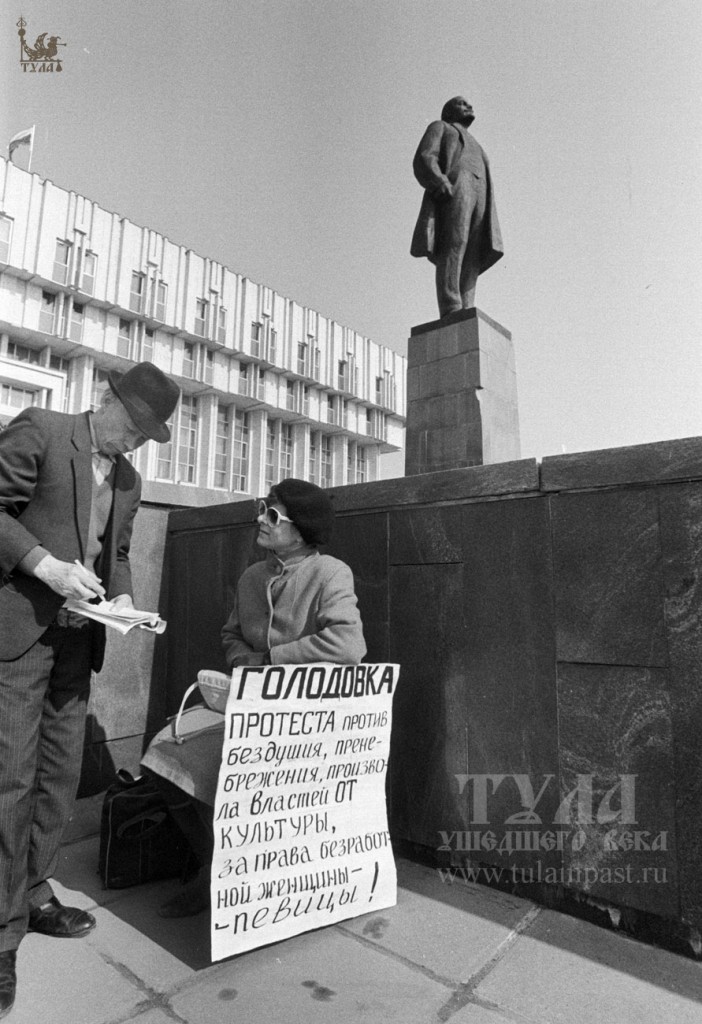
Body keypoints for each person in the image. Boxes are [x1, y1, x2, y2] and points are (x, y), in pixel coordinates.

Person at [0, 361, 180, 1018]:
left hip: (78, 645)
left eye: (144, 435)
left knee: (56, 777)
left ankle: (34, 892)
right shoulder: (43, 431)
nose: (132, 443)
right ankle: (2, 933)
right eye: (130, 426)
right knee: (10, 778)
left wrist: (124, 599)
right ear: (105, 400)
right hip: (19, 639)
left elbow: (118, 552)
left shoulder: (128, 480)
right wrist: (44, 565)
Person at [141, 477, 366, 918]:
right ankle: (213, 865)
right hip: (246, 705)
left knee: (221, 765)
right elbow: (229, 633)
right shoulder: (252, 576)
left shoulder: (330, 572)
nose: (262, 520)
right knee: (163, 750)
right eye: (263, 508)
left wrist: (269, 660)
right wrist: (242, 658)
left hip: (303, 717)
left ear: (299, 530)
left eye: (273, 515)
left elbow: (348, 644)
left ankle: (224, 880)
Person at [411, 96, 504, 318]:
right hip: (456, 185)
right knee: (455, 242)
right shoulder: (440, 127)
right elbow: (425, 156)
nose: (469, 106)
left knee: (474, 248)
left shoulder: (477, 145)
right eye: (462, 104)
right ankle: (451, 304)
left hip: (480, 191)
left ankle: (467, 303)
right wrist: (438, 180)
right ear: (449, 111)